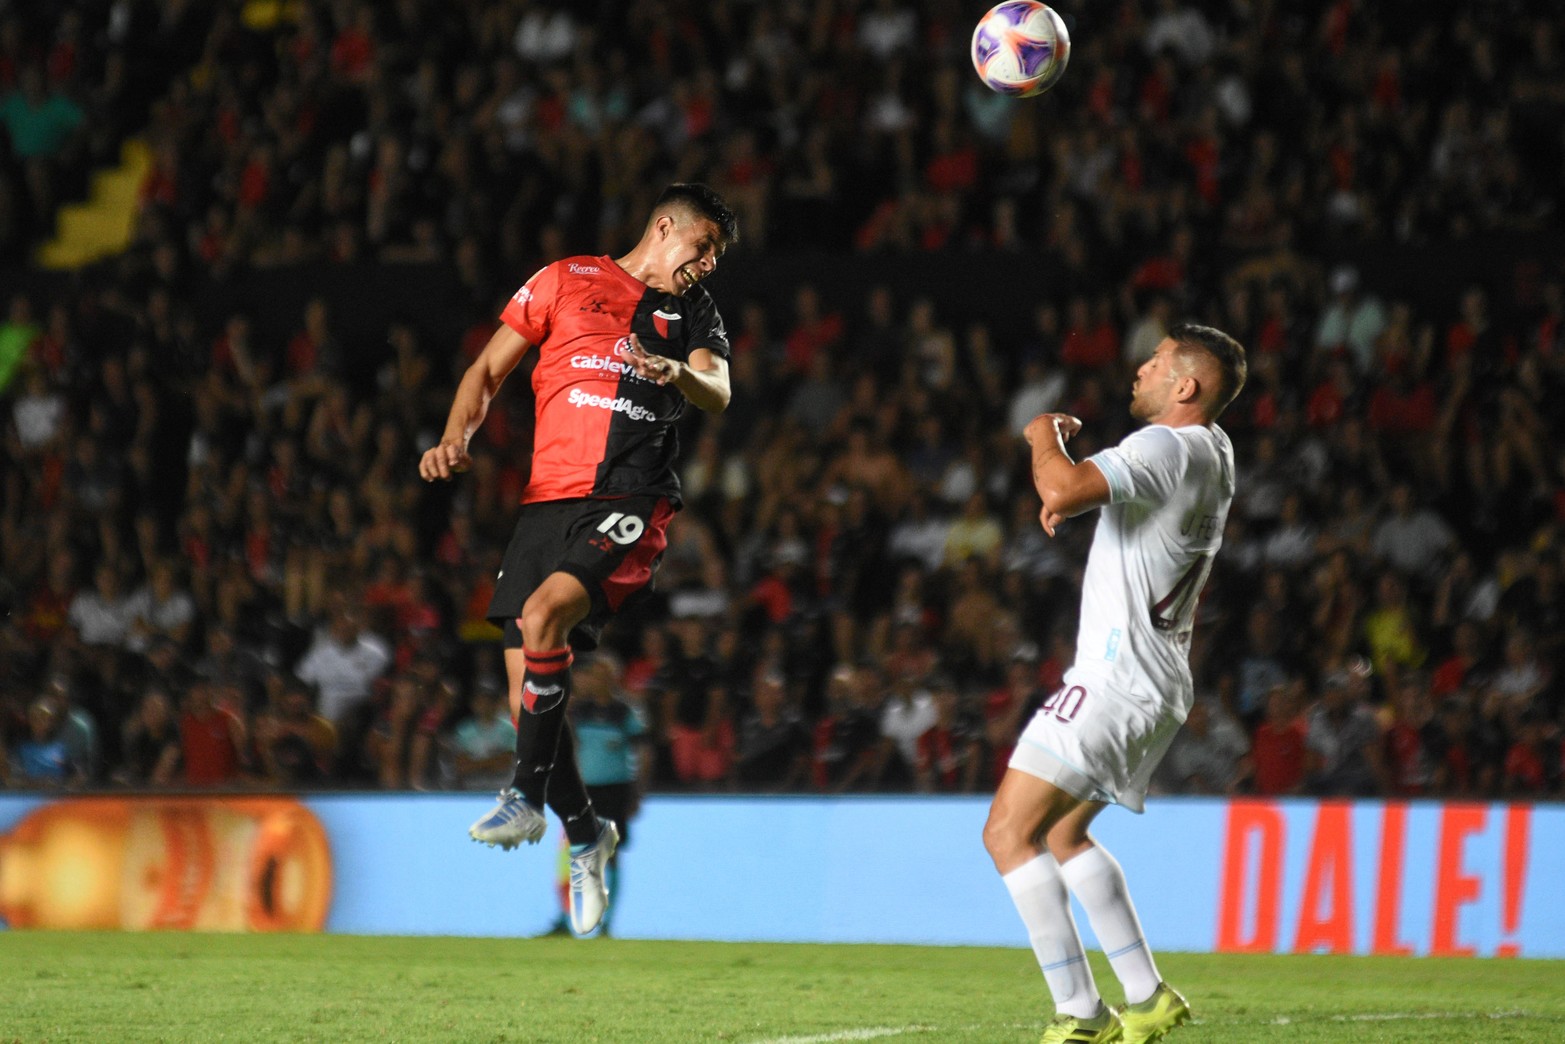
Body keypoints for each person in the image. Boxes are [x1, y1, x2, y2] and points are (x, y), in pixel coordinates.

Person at [420, 183, 738, 934]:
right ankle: (587, 832)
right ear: (666, 227)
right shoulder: (566, 279)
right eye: (704, 248)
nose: (708, 265)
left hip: (631, 496)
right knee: (521, 695)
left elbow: (719, 391)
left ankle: (525, 799)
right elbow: (487, 370)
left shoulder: (694, 312)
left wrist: (677, 374)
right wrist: (454, 438)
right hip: (546, 504)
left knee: (544, 615)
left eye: (717, 257)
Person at [982, 323, 1247, 1044]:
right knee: (1063, 834)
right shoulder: (1214, 450)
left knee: (1007, 833)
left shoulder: (1162, 444)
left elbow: (1062, 486)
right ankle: (1147, 995)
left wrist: (1044, 436)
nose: (1140, 368)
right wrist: (1077, 493)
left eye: (1157, 362)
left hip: (1112, 676)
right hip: (1158, 683)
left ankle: (1080, 1015)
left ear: (1184, 386)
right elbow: (1113, 504)